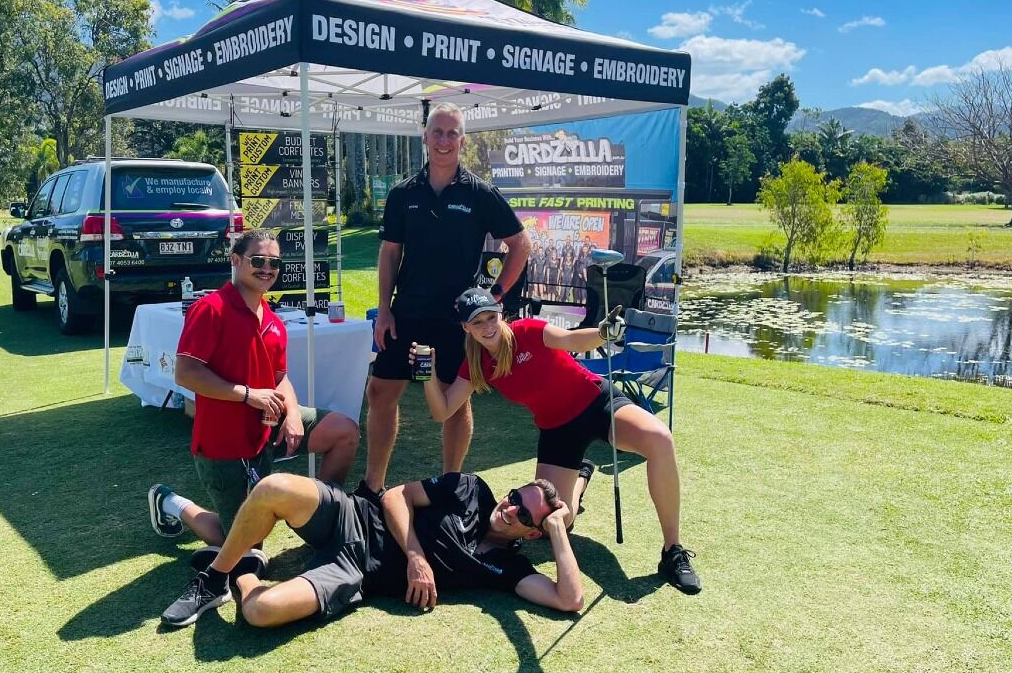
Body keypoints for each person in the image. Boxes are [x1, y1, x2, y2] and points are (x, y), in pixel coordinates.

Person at [415, 286, 702, 595]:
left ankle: (672, 550)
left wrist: (603, 333)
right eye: (477, 322)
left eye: (491, 317)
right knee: (555, 524)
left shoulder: (527, 331)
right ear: (466, 328)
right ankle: (582, 476)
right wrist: (428, 375)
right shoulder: (476, 365)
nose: (487, 327)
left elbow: (572, 340)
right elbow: (442, 412)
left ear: (500, 314)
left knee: (660, 438)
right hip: (557, 430)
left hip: (596, 404)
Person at [147, 228, 360, 551]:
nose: (267, 269)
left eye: (274, 263)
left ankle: (321, 516)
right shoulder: (210, 309)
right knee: (244, 545)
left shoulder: (272, 318)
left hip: (267, 432)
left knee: (344, 431)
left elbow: (279, 377)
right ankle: (171, 503)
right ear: (235, 260)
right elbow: (186, 373)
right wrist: (249, 395)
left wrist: (291, 414)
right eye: (258, 260)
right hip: (225, 445)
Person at [160, 469, 584, 628]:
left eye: (525, 517)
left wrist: (557, 530)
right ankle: (215, 575)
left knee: (259, 611)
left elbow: (568, 599)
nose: (510, 509)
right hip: (354, 516)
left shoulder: (508, 568)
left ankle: (244, 566)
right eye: (514, 497)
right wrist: (417, 557)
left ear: (532, 534)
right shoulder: (471, 490)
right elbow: (396, 495)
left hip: (356, 572)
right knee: (274, 488)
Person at [366, 102, 531, 492]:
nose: (444, 140)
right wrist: (385, 310)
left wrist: (495, 297)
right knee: (379, 391)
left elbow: (520, 245)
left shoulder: (480, 193)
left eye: (452, 133)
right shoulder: (403, 193)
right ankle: (372, 488)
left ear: (462, 140)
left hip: (459, 319)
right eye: (437, 132)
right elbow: (390, 253)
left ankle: (450, 487)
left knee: (454, 402)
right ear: (424, 137)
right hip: (407, 312)